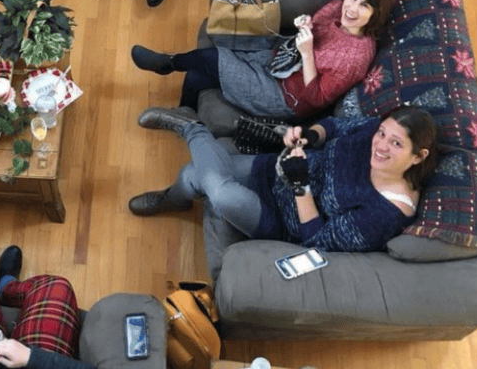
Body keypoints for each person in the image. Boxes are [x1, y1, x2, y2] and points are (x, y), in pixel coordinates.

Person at [127, 105, 437, 256]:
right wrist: (310, 135)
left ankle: (191, 127)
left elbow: (317, 242)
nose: (380, 145)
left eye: (396, 144)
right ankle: (174, 199)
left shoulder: (383, 214)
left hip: (280, 221)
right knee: (192, 174)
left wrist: (301, 186)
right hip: (278, 170)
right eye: (382, 133)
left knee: (220, 194)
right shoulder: (373, 130)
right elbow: (335, 125)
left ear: (418, 157)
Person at [132, 0, 397, 123]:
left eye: (364, 6)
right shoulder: (339, 6)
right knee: (197, 73)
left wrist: (307, 54)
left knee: (209, 58)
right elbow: (316, 25)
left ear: (376, 14)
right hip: (280, 59)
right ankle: (185, 113)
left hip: (285, 97)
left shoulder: (356, 57)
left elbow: (316, 98)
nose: (352, 8)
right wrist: (305, 24)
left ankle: (167, 63)